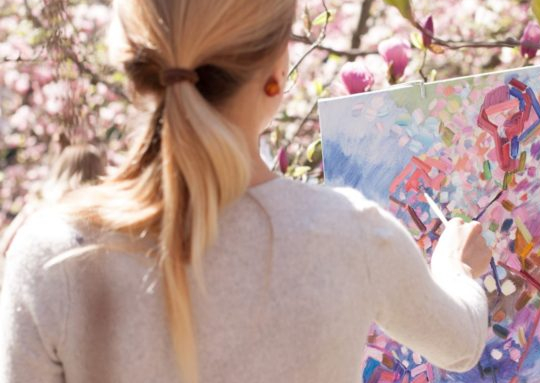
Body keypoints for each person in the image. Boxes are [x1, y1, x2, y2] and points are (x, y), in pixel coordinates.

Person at [0, 1, 492, 382]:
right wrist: (458, 269)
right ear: (277, 74)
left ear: (134, 69)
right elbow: (460, 343)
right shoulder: (351, 235)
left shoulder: (50, 254)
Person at [0, 144, 105, 288]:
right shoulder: (105, 212)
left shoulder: (38, 205)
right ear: (100, 171)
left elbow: (7, 247)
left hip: (43, 286)